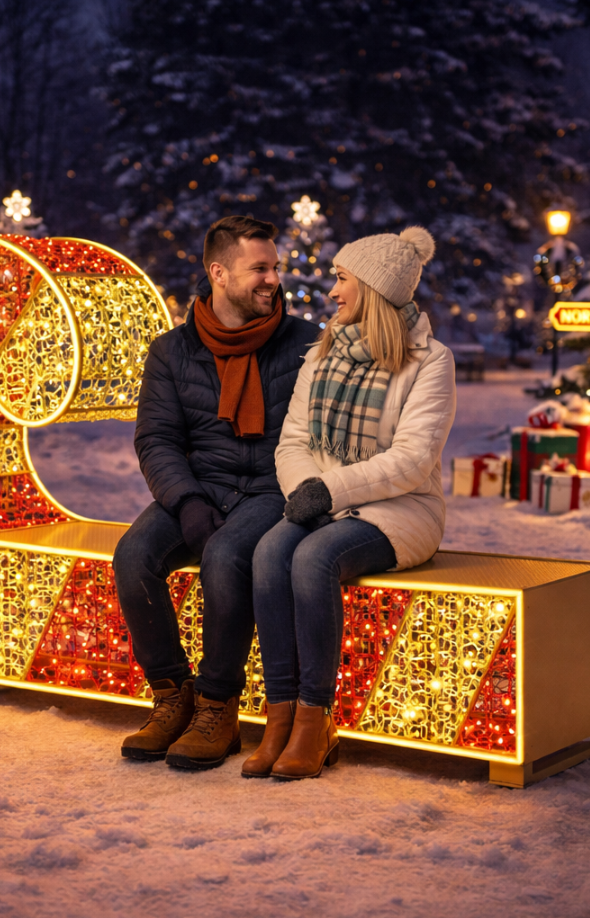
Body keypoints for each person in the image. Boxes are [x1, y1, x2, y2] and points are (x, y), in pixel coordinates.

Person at [243, 226, 456, 780]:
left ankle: (316, 721)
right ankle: (280, 716)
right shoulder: (324, 352)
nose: (332, 291)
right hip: (321, 502)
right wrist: (307, 493)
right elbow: (294, 442)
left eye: (342, 279)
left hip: (401, 511)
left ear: (375, 287)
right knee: (269, 553)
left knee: (314, 559)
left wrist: (330, 491)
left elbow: (412, 460)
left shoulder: (430, 361)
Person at [113, 215, 318, 770]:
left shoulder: (304, 343)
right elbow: (156, 438)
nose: (273, 279)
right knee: (132, 556)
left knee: (227, 557)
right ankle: (172, 696)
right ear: (219, 273)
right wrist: (186, 500)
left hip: (271, 490)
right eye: (260, 269)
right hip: (199, 488)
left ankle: (217, 705)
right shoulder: (172, 352)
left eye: (275, 268)